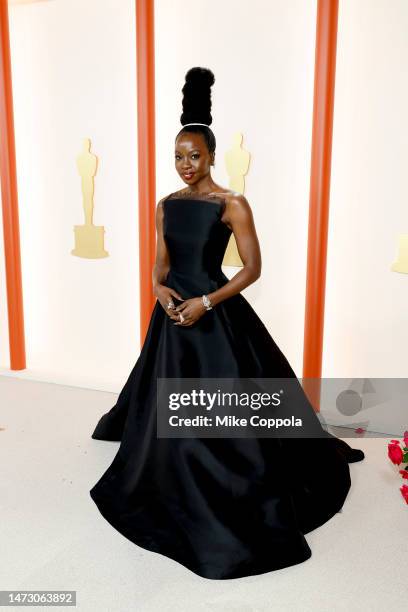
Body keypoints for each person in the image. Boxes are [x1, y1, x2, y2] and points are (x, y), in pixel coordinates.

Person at [90, 66, 364, 580]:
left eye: (194, 155)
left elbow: (253, 268)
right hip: (173, 314)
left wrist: (207, 303)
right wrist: (158, 289)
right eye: (177, 156)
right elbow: (160, 262)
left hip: (212, 311)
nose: (185, 165)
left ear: (212, 155)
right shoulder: (166, 204)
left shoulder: (230, 202)